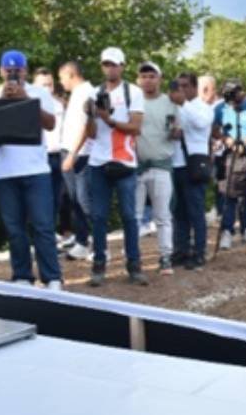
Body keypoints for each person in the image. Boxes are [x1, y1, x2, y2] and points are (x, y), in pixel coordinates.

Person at [0, 51, 62, 289]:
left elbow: (50, 124)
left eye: (17, 70)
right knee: (14, 229)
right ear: (1, 71)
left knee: (43, 226)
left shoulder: (39, 93)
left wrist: (26, 100)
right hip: (4, 171)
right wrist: (3, 102)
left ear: (25, 71)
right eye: (9, 70)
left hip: (35, 169)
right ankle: (22, 275)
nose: (13, 74)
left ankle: (52, 277)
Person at [84, 47, 146, 285]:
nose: (110, 68)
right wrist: (91, 115)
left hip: (124, 161)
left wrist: (109, 119)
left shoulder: (133, 92)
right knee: (99, 217)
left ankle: (134, 265)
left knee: (129, 216)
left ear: (122, 66)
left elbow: (136, 127)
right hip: (98, 161)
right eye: (106, 64)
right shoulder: (94, 92)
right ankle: (99, 265)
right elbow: (91, 134)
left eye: (114, 64)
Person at [213, 78, 246, 249]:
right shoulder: (220, 108)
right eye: (230, 101)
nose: (234, 104)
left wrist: (244, 142)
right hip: (230, 158)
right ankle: (227, 231)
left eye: (236, 99)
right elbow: (214, 129)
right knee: (228, 195)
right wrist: (226, 139)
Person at [134, 62, 177, 274]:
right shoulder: (133, 101)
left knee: (162, 215)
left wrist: (176, 131)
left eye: (152, 76)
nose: (147, 80)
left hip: (161, 165)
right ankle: (133, 257)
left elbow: (177, 129)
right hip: (136, 166)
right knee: (134, 215)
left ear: (159, 79)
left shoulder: (170, 102)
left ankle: (166, 256)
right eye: (144, 76)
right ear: (138, 80)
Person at [168, 72, 214, 269]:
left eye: (185, 86)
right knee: (178, 212)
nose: (182, 90)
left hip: (194, 164)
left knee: (196, 211)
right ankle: (181, 249)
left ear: (195, 87)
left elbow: (201, 123)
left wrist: (183, 104)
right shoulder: (176, 108)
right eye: (178, 86)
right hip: (176, 163)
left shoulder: (203, 107)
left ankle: (199, 251)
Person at [58, 60, 95, 261]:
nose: (61, 82)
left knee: (85, 201)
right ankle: (82, 241)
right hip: (70, 151)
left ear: (71, 74)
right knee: (75, 201)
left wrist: (72, 154)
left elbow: (86, 127)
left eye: (62, 77)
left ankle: (99, 245)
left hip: (82, 154)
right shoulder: (76, 94)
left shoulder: (86, 93)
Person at [32, 67, 67, 241]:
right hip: (40, 157)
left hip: (58, 155)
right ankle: (41, 235)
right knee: (40, 198)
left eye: (49, 84)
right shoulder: (29, 104)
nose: (47, 88)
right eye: (43, 85)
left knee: (57, 197)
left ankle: (51, 232)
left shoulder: (59, 105)